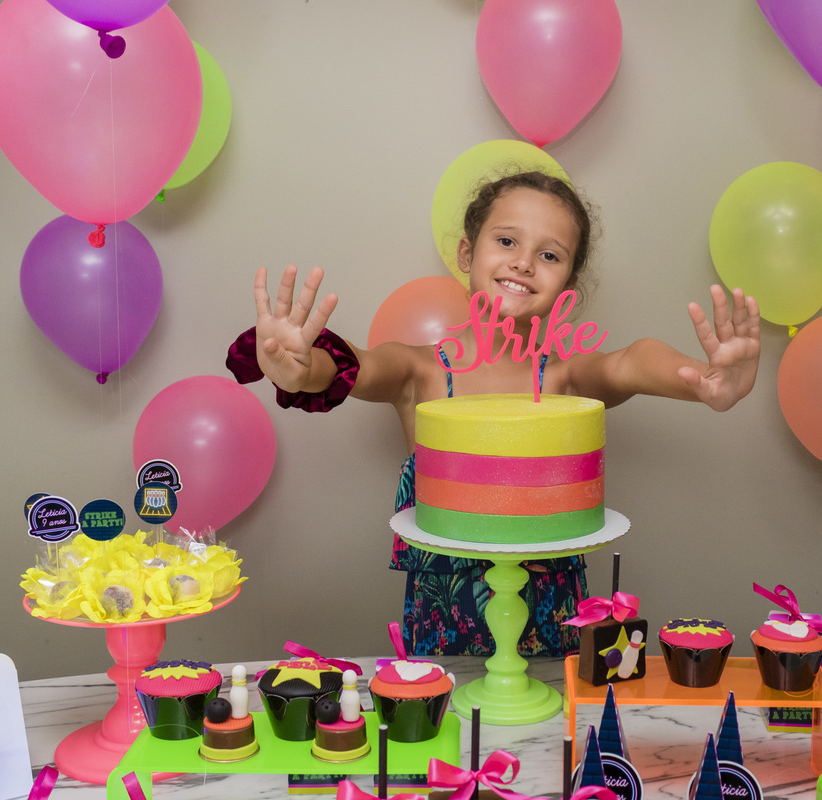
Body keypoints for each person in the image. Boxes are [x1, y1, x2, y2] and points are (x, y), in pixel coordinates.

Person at [227, 171, 760, 657]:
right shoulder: (421, 373)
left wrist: (704, 382)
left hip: (552, 624)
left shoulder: (563, 379)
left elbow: (631, 361)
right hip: (444, 632)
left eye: (550, 255)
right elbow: (354, 366)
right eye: (506, 241)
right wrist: (301, 369)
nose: (524, 262)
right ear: (466, 252)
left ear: (568, 285)